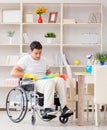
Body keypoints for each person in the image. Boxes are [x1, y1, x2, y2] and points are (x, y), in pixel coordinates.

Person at [11, 41, 73, 118]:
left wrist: (54, 75)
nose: (38, 55)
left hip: (44, 80)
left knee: (60, 80)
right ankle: (47, 109)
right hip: (33, 82)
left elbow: (49, 73)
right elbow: (13, 72)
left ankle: (64, 108)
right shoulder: (25, 59)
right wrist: (27, 75)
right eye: (36, 53)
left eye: (40, 53)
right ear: (31, 51)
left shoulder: (44, 60)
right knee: (49, 82)